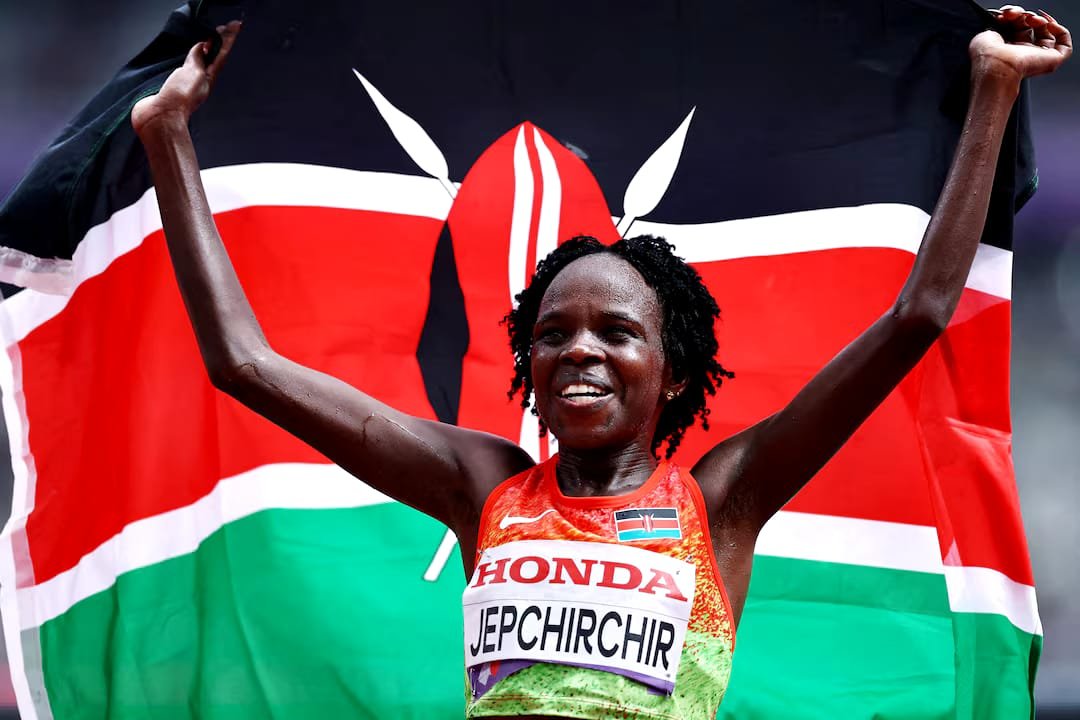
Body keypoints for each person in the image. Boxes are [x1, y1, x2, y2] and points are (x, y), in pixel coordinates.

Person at [131, 6, 1071, 719]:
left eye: (617, 333)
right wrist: (168, 138)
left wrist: (993, 87)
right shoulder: (483, 488)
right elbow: (243, 364)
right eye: (552, 333)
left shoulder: (720, 500)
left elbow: (918, 316)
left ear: (672, 371)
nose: (579, 347)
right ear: (528, 366)